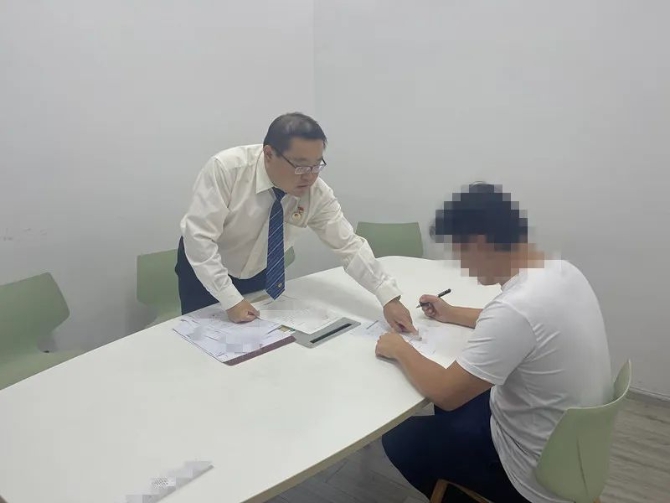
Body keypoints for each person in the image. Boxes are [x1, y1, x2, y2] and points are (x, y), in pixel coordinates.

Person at [376, 183, 612, 503]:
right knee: (458, 404)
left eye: (460, 253)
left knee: (398, 439)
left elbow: (446, 393)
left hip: (531, 474)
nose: (463, 266)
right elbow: (522, 326)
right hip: (569, 449)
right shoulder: (560, 271)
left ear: (479, 243)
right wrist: (451, 313)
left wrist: (399, 348)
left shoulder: (516, 308)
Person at [176, 112, 415, 332]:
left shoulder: (316, 193)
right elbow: (199, 239)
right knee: (202, 342)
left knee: (254, 341)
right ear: (269, 154)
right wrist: (231, 299)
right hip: (206, 271)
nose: (310, 176)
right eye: (300, 166)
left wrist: (388, 297)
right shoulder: (227, 170)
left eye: (316, 165)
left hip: (259, 271)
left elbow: (348, 246)